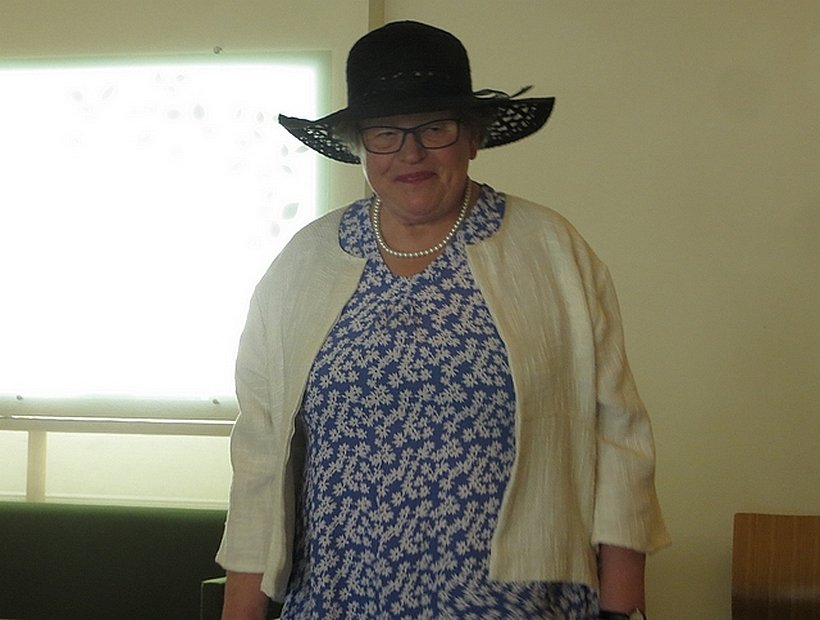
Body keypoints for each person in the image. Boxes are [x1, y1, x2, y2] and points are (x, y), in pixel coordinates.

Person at [217, 20, 670, 620]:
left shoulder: (551, 252)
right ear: (359, 146)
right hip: (337, 600)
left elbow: (618, 439)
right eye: (385, 132)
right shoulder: (305, 264)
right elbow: (259, 453)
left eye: (434, 127)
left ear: (472, 137)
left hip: (517, 606)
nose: (410, 152)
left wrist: (621, 608)